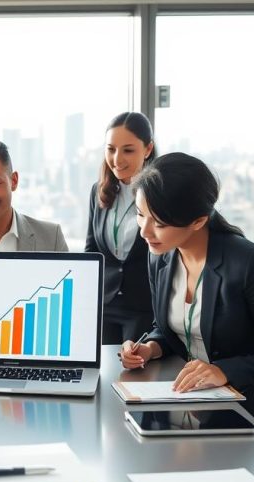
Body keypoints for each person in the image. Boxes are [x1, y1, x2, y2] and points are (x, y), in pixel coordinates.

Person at [119, 152, 254, 420]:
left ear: (198, 221)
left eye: (159, 223)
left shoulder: (247, 263)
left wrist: (223, 370)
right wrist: (151, 348)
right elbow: (168, 327)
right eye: (140, 215)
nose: (145, 231)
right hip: (187, 400)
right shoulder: (161, 255)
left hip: (246, 410)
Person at [86, 112, 157, 344]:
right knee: (102, 372)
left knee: (133, 376)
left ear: (147, 150)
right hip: (104, 305)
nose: (117, 159)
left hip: (144, 305)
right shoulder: (99, 190)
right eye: (111, 149)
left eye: (128, 150)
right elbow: (92, 250)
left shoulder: (159, 194)